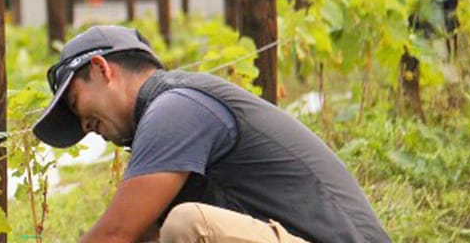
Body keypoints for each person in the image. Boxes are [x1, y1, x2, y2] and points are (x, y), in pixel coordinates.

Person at [32, 25, 390, 242]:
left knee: (188, 227)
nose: (84, 127)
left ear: (101, 69)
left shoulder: (174, 108)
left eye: (77, 103)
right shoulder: (167, 113)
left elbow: (115, 234)